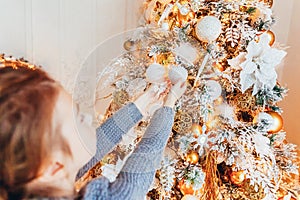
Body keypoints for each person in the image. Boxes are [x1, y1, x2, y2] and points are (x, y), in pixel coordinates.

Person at [0, 65, 186, 200]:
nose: (87, 119)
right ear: (54, 168)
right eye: (79, 119)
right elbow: (134, 182)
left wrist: (141, 104)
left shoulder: (39, 183)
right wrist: (168, 106)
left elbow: (92, 147)